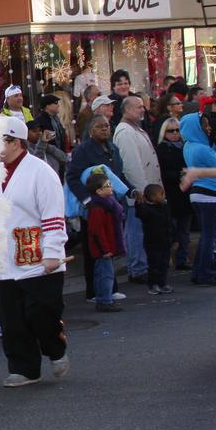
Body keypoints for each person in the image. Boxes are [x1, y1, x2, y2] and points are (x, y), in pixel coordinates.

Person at [0, 117, 69, 388]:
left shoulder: (40, 171)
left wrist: (52, 251)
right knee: (11, 318)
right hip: (5, 260)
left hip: (38, 257)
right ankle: (24, 368)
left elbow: (52, 214)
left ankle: (55, 347)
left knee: (42, 313)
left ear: (14, 142)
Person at [66, 115, 134, 302]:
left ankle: (110, 288)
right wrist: (87, 200)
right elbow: (72, 177)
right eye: (99, 126)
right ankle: (94, 291)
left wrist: (131, 191)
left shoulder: (113, 148)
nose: (104, 129)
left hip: (111, 205)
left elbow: (118, 176)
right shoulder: (83, 150)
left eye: (106, 126)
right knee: (93, 249)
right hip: (94, 207)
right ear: (91, 130)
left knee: (109, 246)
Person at [113, 95, 161, 284]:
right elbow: (131, 165)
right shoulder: (125, 132)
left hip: (146, 190)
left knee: (140, 230)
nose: (143, 110)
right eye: (139, 107)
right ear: (127, 109)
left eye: (143, 106)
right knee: (135, 230)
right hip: (139, 193)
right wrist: (141, 190)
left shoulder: (135, 129)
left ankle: (141, 265)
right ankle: (137, 267)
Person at [179, 112, 216, 285]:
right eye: (204, 125)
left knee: (206, 235)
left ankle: (199, 271)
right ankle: (206, 273)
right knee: (209, 236)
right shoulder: (202, 149)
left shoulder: (189, 145)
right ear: (196, 128)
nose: (208, 128)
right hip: (210, 193)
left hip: (198, 193)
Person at [84, 172, 125, 312]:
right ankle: (104, 300)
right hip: (102, 249)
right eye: (107, 185)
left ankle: (105, 299)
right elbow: (96, 232)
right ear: (99, 191)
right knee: (105, 275)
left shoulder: (107, 204)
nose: (111, 187)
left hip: (106, 247)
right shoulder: (98, 208)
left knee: (105, 273)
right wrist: (104, 249)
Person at [156, 119, 192, 271]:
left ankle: (182, 259)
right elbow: (161, 173)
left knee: (184, 231)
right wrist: (179, 174)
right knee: (170, 230)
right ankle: (166, 260)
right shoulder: (161, 149)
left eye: (177, 130)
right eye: (171, 131)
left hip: (186, 194)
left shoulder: (186, 147)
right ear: (164, 133)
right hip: (171, 194)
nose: (175, 133)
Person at [136, 184, 173, 295]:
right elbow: (140, 213)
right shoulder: (146, 209)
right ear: (152, 197)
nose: (163, 196)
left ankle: (163, 283)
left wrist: (174, 238)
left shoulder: (165, 207)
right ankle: (153, 284)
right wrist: (138, 203)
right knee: (154, 263)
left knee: (164, 263)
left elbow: (170, 222)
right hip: (152, 241)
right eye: (160, 194)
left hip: (165, 239)